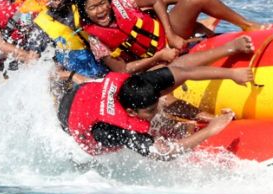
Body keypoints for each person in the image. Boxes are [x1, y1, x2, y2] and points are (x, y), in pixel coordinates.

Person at [58, 34, 255, 159]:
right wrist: (211, 131)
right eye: (150, 111)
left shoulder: (139, 85)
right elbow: (164, 153)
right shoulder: (113, 129)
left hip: (84, 93)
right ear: (130, 112)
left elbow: (183, 72)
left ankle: (229, 47)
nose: (156, 112)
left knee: (172, 73)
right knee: (163, 134)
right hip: (71, 118)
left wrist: (231, 75)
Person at [74, 0, 266, 69]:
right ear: (85, 13)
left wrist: (172, 35)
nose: (100, 11)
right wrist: (157, 58)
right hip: (153, 65)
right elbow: (123, 70)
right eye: (93, 8)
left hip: (170, 35)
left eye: (102, 3)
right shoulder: (96, 41)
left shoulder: (124, 0)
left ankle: (246, 25)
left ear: (109, 0)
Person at [26, 0, 108, 79]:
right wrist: (72, 76)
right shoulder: (40, 24)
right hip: (74, 80)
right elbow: (36, 67)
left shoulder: (82, 6)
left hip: (105, 70)